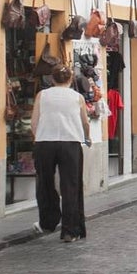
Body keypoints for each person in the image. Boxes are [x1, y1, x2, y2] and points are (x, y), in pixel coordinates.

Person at [30, 64, 90, 243]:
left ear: (52, 79)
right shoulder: (77, 97)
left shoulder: (42, 95)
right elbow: (85, 122)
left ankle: (48, 221)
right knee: (71, 186)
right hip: (70, 143)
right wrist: (86, 137)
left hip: (45, 143)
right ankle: (70, 230)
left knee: (45, 183)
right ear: (70, 80)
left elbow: (34, 121)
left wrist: (37, 136)